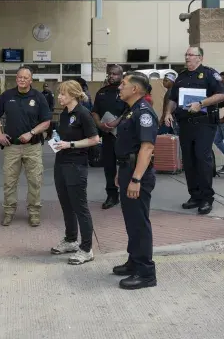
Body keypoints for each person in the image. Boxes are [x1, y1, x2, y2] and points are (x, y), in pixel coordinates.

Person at [165, 47, 224, 215]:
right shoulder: (181, 76)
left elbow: (222, 95)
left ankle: (207, 198)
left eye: (190, 55)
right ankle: (195, 195)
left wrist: (201, 104)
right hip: (185, 124)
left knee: (202, 157)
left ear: (200, 57)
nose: (187, 57)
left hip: (204, 123)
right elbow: (173, 98)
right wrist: (167, 112)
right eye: (186, 54)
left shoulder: (209, 74)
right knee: (189, 160)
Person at [111, 74, 158, 290]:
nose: (120, 87)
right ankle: (134, 261)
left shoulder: (144, 112)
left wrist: (136, 179)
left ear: (136, 89)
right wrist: (122, 172)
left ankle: (146, 273)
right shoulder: (130, 110)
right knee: (131, 221)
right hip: (127, 169)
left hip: (138, 174)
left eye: (123, 84)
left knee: (139, 222)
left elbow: (147, 148)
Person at [0, 66, 52, 227]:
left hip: (32, 147)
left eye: (25, 77)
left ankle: (34, 213)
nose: (22, 79)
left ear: (31, 80)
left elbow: (46, 122)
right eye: (19, 77)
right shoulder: (7, 96)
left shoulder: (39, 97)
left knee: (35, 181)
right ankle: (9, 212)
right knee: (9, 181)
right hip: (11, 146)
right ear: (16, 78)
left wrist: (31, 133)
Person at [50, 80, 99, 265]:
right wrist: (57, 140)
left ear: (73, 94)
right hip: (61, 163)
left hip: (76, 165)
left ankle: (86, 249)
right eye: (59, 93)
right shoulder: (64, 114)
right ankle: (71, 240)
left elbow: (94, 139)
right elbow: (63, 135)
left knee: (80, 207)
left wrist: (70, 144)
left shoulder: (83, 114)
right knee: (66, 204)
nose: (59, 97)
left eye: (62, 94)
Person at [91, 64, 125, 209]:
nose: (112, 76)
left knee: (126, 165)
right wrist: (99, 124)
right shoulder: (102, 92)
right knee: (109, 166)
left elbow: (130, 109)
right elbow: (95, 111)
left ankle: (127, 193)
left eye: (115, 74)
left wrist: (116, 122)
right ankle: (112, 195)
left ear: (121, 75)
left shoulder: (126, 90)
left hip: (123, 135)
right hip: (108, 135)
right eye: (110, 74)